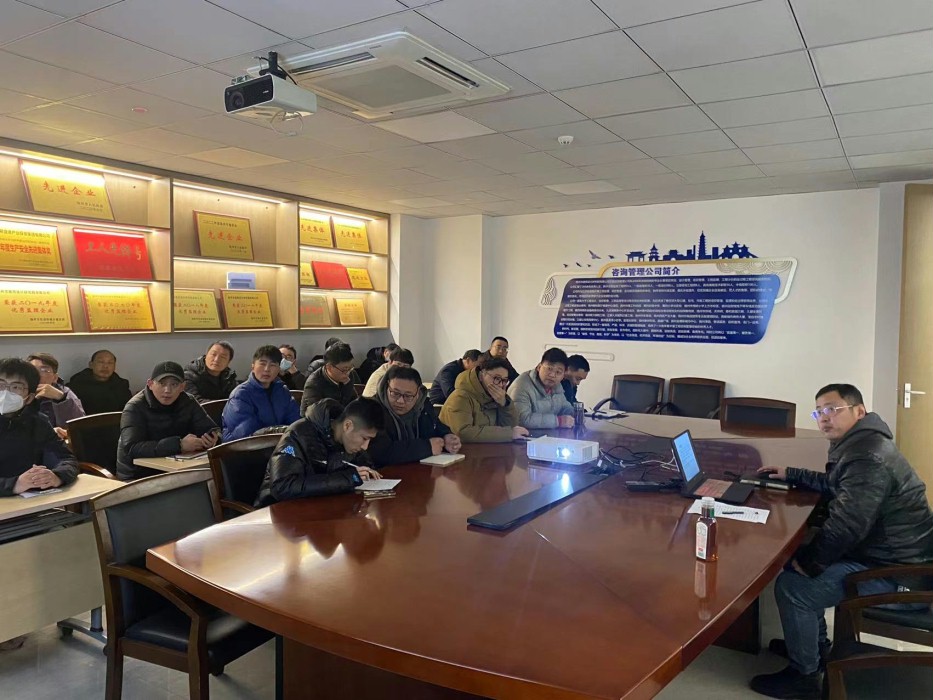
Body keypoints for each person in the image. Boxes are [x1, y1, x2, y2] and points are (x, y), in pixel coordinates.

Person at [749, 384, 933, 700]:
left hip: (900, 578)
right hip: (890, 558)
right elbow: (841, 486)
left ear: (859, 411)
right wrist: (793, 474)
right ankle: (815, 648)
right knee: (801, 562)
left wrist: (810, 563)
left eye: (832, 409)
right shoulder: (865, 443)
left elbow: (848, 525)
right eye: (818, 412)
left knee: (794, 586)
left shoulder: (867, 457)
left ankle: (804, 677)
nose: (824, 418)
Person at [255, 397, 384, 507]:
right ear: (347, 426)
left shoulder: (347, 441)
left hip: (318, 509)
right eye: (364, 438)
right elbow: (282, 487)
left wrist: (367, 471)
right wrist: (347, 478)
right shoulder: (298, 434)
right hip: (277, 513)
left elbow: (363, 464)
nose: (365, 446)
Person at [115, 361, 219, 481]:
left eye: (174, 384)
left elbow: (210, 428)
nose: (167, 390)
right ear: (150, 384)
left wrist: (212, 439)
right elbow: (132, 448)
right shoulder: (134, 407)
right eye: (162, 383)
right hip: (138, 476)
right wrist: (179, 445)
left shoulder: (188, 401)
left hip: (177, 471)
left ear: (182, 387)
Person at [0, 357, 78, 497]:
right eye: (1, 385)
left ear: (29, 398)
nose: (6, 393)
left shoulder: (38, 421)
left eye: (16, 387)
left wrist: (56, 476)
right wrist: (14, 484)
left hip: (30, 501)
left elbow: (67, 459)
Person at [368, 366, 461, 467]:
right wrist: (427, 447)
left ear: (418, 393)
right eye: (395, 393)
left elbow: (437, 426)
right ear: (387, 387)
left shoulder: (424, 406)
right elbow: (381, 453)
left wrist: (446, 436)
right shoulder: (372, 410)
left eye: (408, 396)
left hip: (419, 470)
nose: (400, 401)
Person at [439, 356, 529, 443]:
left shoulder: (495, 396)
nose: (500, 384)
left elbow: (511, 427)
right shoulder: (460, 397)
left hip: (488, 448)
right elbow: (463, 433)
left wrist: (505, 404)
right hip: (461, 449)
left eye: (504, 380)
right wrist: (508, 434)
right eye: (497, 378)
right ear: (482, 375)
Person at [222, 346, 300, 442]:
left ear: (279, 369)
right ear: (253, 366)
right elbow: (247, 434)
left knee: (299, 448)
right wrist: (282, 432)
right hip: (245, 447)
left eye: (273, 365)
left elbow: (295, 422)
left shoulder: (283, 391)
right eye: (262, 364)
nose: (267, 369)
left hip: (278, 444)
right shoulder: (240, 395)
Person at [508, 348, 575, 430]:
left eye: (558, 372)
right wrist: (558, 421)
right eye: (549, 369)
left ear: (563, 375)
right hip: (524, 435)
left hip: (546, 434)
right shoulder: (521, 386)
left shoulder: (556, 385)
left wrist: (574, 414)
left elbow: (564, 406)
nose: (552, 375)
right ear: (539, 367)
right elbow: (522, 419)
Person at [26, 352, 85, 438]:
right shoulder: (19, 391)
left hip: (58, 443)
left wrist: (61, 399)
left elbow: (80, 425)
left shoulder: (64, 392)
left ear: (55, 378)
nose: (37, 375)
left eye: (44, 370)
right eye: (33, 370)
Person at [67, 349, 132, 415]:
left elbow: (128, 413)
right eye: (101, 362)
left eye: (110, 363)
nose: (105, 366)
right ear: (91, 365)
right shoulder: (76, 386)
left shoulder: (121, 386)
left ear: (114, 367)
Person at [300, 342, 358, 414]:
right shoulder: (314, 384)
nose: (348, 373)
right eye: (344, 370)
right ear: (329, 367)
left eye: (350, 368)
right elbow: (317, 415)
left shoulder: (349, 374)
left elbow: (354, 402)